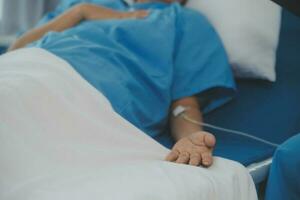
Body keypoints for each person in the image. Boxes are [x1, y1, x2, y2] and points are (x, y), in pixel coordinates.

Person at [8, 0, 235, 167]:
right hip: (25, 66)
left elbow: (184, 103)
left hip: (83, 91)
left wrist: (189, 138)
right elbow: (14, 50)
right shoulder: (85, 3)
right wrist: (80, 11)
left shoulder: (183, 20)